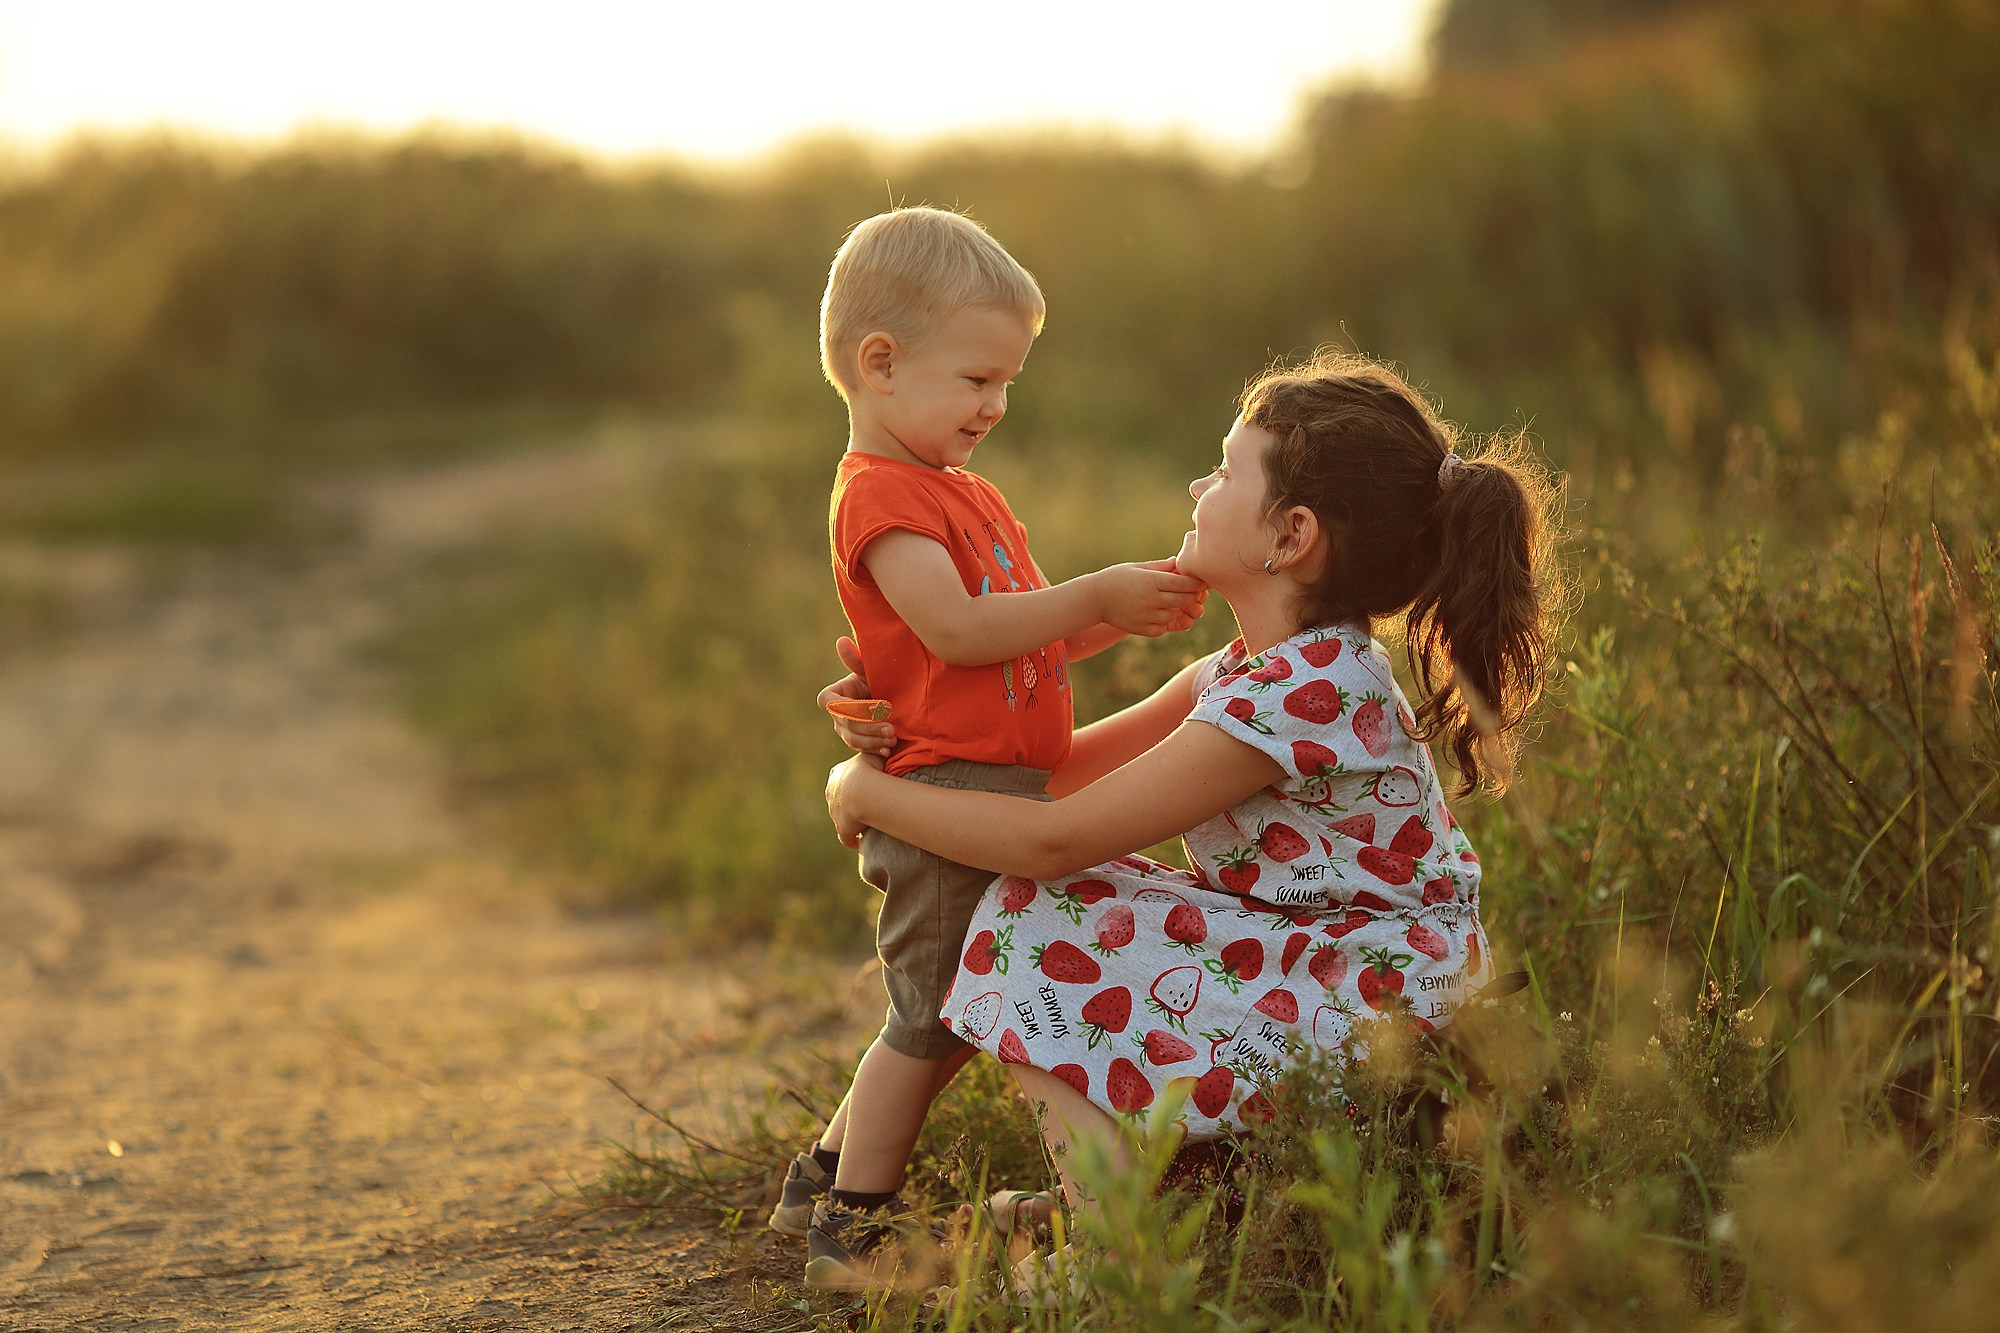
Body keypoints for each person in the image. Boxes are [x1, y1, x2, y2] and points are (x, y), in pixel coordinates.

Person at [825, 349, 1562, 1287]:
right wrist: (910, 725)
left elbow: (1054, 838)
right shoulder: (1249, 671)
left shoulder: (1312, 689)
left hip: (1389, 1014)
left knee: (1026, 914)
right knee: (1071, 901)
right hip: (1328, 969)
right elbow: (1043, 778)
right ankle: (1156, 1193)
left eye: (1224, 469)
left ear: (1290, 535)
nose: (1197, 484)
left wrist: (862, 793)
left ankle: (1112, 1245)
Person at [777, 205, 1208, 1290]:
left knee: (954, 1006)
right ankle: (850, 1225)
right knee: (926, 1022)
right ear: (880, 364)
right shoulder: (879, 497)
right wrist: (1094, 590)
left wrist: (1126, 611)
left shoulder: (966, 494)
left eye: (1006, 382)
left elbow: (1028, 626)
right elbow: (960, 632)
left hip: (1002, 785)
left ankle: (816, 1176)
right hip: (946, 799)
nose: (996, 405)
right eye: (976, 380)